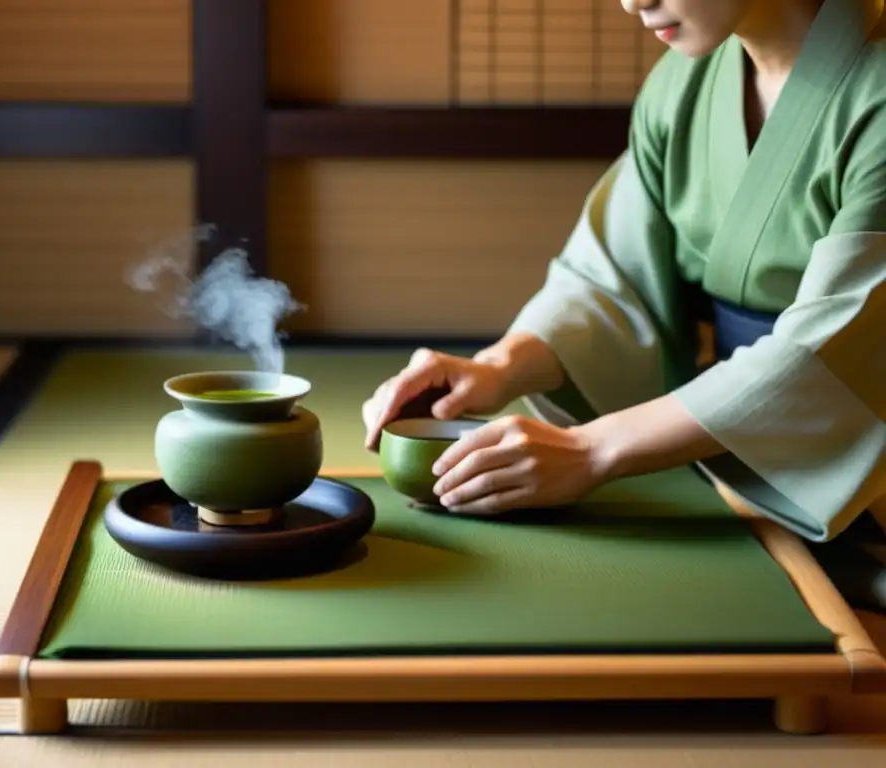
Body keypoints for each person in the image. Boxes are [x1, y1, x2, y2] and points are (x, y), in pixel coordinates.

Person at [362, 0, 886, 610]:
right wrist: (503, 366)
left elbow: (832, 350)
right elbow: (610, 273)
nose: (634, 1)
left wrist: (595, 450)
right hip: (741, 452)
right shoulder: (686, 80)